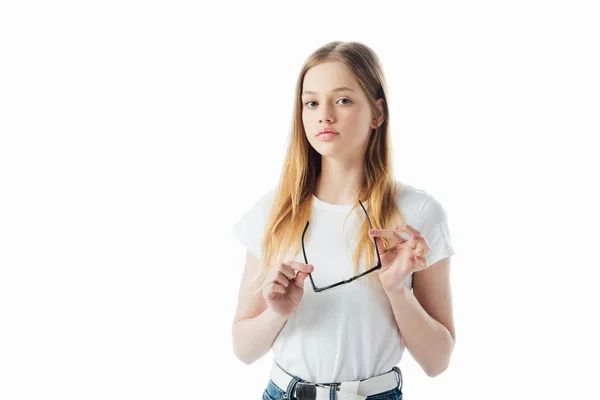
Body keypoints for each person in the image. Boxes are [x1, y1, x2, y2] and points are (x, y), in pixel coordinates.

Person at [231, 41, 456, 400]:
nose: (324, 115)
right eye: (312, 102)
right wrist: (277, 313)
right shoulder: (274, 211)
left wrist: (398, 290)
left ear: (377, 114)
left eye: (343, 100)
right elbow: (243, 350)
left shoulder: (417, 213)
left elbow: (437, 361)